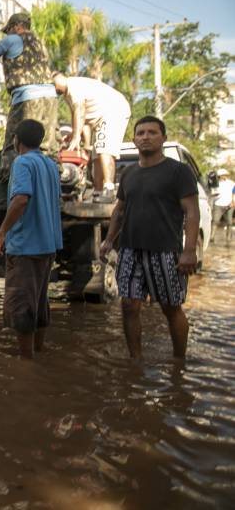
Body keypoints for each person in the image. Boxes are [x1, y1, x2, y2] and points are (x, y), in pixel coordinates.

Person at [100, 116, 200, 361]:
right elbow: (120, 210)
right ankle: (136, 361)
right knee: (129, 305)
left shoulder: (178, 172)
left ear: (163, 138)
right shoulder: (129, 173)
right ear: (134, 139)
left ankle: (179, 362)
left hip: (166, 251)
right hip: (130, 250)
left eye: (152, 132)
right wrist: (108, 241)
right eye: (141, 133)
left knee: (170, 308)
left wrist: (189, 251)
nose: (145, 137)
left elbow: (192, 211)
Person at [0, 119, 63, 359]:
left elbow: (21, 199)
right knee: (40, 302)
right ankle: (39, 352)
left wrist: (1, 233)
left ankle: (26, 363)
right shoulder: (51, 164)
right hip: (48, 244)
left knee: (22, 304)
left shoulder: (21, 162)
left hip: (25, 245)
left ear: (16, 140)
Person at [0, 13, 58, 182]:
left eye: (9, 30)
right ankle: (52, 183)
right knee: (48, 147)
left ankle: (10, 186)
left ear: (17, 27)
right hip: (50, 98)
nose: (8, 34)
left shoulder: (12, 40)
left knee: (15, 144)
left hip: (27, 99)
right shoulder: (40, 44)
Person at [52, 73, 131, 200]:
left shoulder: (73, 86)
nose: (53, 88)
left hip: (112, 111)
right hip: (101, 119)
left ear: (58, 78)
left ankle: (109, 190)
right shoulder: (68, 95)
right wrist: (73, 133)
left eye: (52, 84)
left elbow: (80, 110)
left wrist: (77, 136)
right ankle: (98, 192)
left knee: (104, 151)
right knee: (96, 157)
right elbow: (76, 117)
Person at [211, 168, 234, 244]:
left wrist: (233, 202)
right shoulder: (215, 184)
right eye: (219, 176)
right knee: (215, 221)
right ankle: (212, 237)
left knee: (229, 222)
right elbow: (213, 195)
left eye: (222, 176)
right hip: (218, 205)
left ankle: (228, 239)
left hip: (229, 204)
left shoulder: (232, 184)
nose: (221, 177)